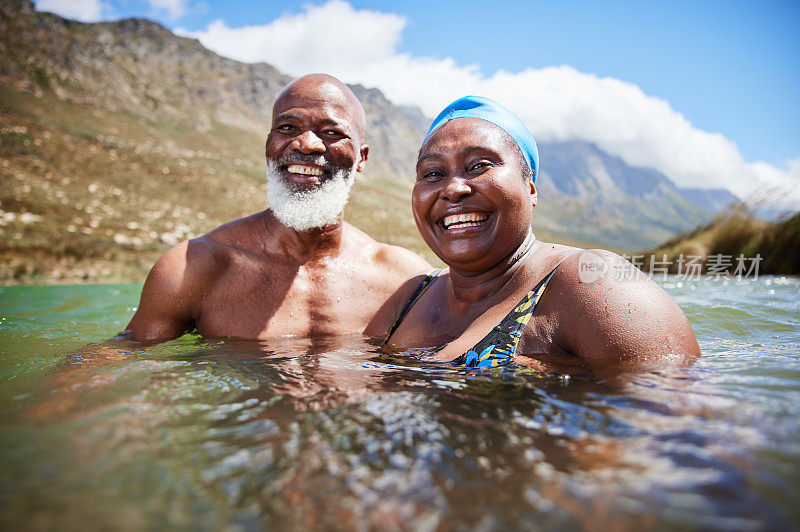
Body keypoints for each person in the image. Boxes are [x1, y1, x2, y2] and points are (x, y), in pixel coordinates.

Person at [371, 96, 700, 371]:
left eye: (479, 165)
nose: (453, 189)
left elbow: (680, 430)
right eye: (433, 173)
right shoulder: (408, 299)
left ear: (530, 188)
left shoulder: (594, 283)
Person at [123, 74, 430, 342]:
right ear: (268, 145)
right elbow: (125, 367)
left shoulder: (404, 279)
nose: (306, 144)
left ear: (361, 158)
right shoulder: (192, 270)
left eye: (332, 132)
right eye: (287, 127)